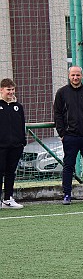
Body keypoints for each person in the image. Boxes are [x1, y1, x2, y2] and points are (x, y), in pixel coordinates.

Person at [54, 66, 83, 205]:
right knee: (68, 166)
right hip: (70, 137)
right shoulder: (62, 93)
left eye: (78, 75)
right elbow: (57, 114)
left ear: (82, 76)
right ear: (69, 76)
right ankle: (67, 195)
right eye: (73, 75)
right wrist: (62, 133)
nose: (75, 78)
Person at [0, 78, 26, 209]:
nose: (10, 92)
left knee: (11, 172)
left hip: (16, 146)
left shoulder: (18, 107)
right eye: (8, 89)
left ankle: (8, 198)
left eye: (12, 89)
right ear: (1, 90)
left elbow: (22, 125)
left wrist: (22, 141)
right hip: (1, 147)